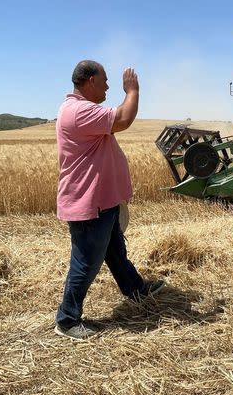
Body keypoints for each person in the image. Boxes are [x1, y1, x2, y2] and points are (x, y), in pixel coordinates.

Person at [54, 60, 164, 340]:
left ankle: (135, 290)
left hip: (102, 199)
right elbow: (124, 119)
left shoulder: (78, 109)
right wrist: (132, 90)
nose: (107, 87)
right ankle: (67, 320)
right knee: (85, 262)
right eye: (104, 81)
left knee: (115, 251)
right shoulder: (79, 111)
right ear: (90, 80)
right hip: (89, 203)